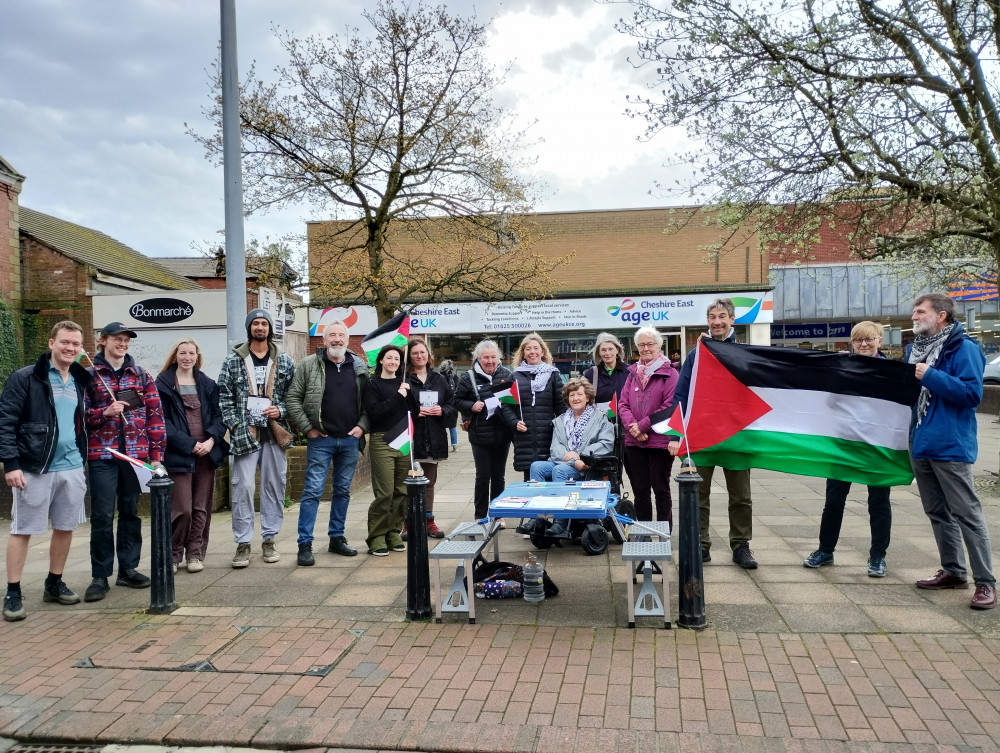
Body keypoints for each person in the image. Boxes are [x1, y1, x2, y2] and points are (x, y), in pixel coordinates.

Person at [907, 293, 995, 609]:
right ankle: (954, 571)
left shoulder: (964, 349)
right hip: (921, 441)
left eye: (920, 311)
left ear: (941, 316)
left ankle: (985, 583)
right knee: (936, 512)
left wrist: (930, 375)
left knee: (967, 513)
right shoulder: (915, 349)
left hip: (950, 444)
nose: (914, 316)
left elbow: (972, 394)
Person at [1, 322, 92, 622]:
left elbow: (79, 421)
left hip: (72, 465)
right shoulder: (27, 377)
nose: (70, 348)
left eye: (76, 344)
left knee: (66, 527)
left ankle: (54, 582)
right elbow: (6, 421)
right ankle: (13, 591)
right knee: (23, 529)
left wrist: (104, 413)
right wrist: (11, 464)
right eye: (65, 342)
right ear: (52, 343)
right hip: (34, 467)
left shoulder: (80, 379)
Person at [669, 298, 757, 569]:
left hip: (735, 436)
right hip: (701, 435)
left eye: (722, 316)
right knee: (697, 492)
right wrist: (676, 434)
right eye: (712, 317)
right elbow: (681, 393)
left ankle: (741, 545)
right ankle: (699, 544)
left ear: (732, 320)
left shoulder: (744, 352)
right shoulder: (696, 354)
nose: (717, 321)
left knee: (740, 495)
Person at [83, 321, 166, 602]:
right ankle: (100, 575)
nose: (122, 344)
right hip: (102, 456)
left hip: (133, 455)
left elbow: (156, 418)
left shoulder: (141, 376)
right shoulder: (89, 376)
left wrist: (156, 457)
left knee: (131, 513)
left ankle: (128, 569)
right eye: (116, 339)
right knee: (102, 516)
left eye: (126, 340)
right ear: (103, 341)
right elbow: (79, 418)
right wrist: (103, 413)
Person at [803, 322, 893, 577]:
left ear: (879, 341)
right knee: (833, 501)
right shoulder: (846, 368)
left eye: (868, 339)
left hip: (877, 446)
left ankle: (877, 556)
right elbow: (831, 402)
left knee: (878, 502)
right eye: (857, 340)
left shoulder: (892, 371)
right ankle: (825, 550)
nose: (863, 344)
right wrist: (840, 373)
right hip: (845, 444)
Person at [218, 308, 296, 569]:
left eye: (264, 324)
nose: (260, 328)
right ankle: (243, 543)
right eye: (256, 324)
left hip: (274, 433)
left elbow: (293, 397)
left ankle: (269, 539)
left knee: (274, 487)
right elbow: (224, 396)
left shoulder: (284, 361)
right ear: (249, 328)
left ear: (269, 329)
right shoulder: (233, 361)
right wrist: (236, 424)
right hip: (245, 434)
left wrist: (280, 410)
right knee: (243, 488)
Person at [286, 320, 369, 565]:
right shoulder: (309, 365)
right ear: (323, 341)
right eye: (331, 335)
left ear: (348, 339)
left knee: (343, 491)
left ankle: (336, 538)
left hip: (350, 440)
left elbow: (368, 403)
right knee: (312, 492)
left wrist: (362, 427)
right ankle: (304, 544)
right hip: (320, 440)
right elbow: (293, 398)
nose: (336, 339)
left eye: (341, 335)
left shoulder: (359, 366)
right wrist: (307, 428)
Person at [155, 338, 228, 574]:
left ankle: (195, 554)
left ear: (198, 356)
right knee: (182, 508)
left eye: (192, 353)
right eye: (183, 353)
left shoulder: (207, 384)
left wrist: (211, 441)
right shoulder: (163, 385)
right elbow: (161, 423)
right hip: (179, 455)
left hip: (206, 454)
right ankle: (175, 554)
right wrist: (189, 444)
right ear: (175, 355)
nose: (187, 357)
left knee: (200, 508)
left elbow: (219, 417)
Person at [529, 377, 615, 535]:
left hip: (587, 466)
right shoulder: (560, 420)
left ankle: (560, 521)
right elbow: (555, 448)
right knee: (537, 467)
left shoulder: (600, 418)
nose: (575, 398)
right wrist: (573, 459)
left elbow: (606, 444)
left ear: (587, 397)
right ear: (567, 399)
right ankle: (537, 518)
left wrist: (581, 456)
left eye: (579, 394)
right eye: (572, 395)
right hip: (566, 462)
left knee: (560, 471)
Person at [618, 326, 678, 528]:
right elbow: (622, 404)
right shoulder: (632, 373)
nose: (646, 348)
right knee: (640, 491)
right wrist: (633, 428)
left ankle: (663, 533)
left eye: (650, 344)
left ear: (659, 346)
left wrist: (642, 426)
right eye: (641, 344)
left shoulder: (670, 373)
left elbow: (669, 406)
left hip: (659, 441)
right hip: (634, 442)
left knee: (661, 489)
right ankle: (643, 531)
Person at [454, 340, 515, 519]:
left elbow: (513, 403)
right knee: (482, 476)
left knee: (499, 476)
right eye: (486, 357)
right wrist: (472, 405)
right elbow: (457, 401)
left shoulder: (506, 375)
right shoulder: (469, 377)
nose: (490, 361)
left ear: (499, 358)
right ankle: (480, 515)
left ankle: (497, 514)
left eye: (493, 357)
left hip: (502, 434)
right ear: (478, 358)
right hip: (479, 436)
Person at [404, 338, 455, 540]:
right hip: (412, 438)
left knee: (429, 482)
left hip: (433, 438)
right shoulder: (405, 380)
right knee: (409, 481)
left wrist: (441, 410)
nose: (419, 356)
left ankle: (428, 520)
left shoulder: (438, 379)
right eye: (415, 353)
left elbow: (452, 405)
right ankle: (408, 522)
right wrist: (415, 412)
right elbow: (398, 407)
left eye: (422, 352)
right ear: (410, 357)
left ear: (428, 355)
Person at [364, 344, 411, 556]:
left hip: (403, 439)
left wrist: (409, 395)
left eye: (397, 359)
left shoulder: (404, 383)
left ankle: (393, 531)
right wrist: (399, 395)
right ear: (381, 360)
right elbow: (375, 413)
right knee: (384, 492)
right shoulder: (372, 383)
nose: (393, 362)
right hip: (382, 440)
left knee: (401, 491)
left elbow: (414, 412)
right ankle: (376, 536)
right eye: (389, 358)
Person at [505, 333, 566, 481]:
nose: (532, 351)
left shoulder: (553, 375)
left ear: (543, 352)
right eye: (528, 349)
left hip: (549, 436)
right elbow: (505, 406)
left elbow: (562, 408)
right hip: (525, 436)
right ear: (523, 353)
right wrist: (514, 422)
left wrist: (563, 430)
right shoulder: (514, 377)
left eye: (536, 348)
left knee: (552, 475)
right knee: (530, 480)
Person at [583, 332, 632, 483]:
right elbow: (584, 401)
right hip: (602, 431)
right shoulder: (592, 374)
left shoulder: (630, 371)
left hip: (627, 431)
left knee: (636, 476)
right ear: (598, 352)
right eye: (603, 350)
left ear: (617, 349)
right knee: (607, 476)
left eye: (610, 349)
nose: (607, 353)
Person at [439, 359, 460, 451]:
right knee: (453, 426)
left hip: (442, 405)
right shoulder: (455, 378)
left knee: (441, 427)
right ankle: (454, 445)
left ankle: (443, 446)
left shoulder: (439, 378)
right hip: (453, 405)